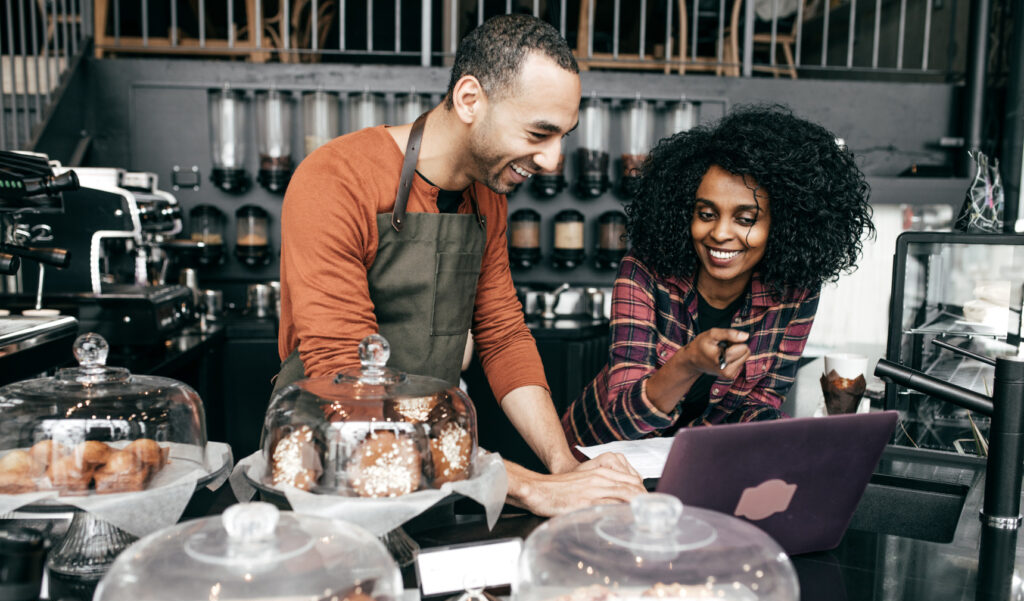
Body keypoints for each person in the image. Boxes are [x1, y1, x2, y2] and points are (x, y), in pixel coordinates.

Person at [277, 14, 644, 515]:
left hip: (436, 474)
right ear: (470, 99)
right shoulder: (337, 179)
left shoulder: (486, 197)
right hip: (330, 474)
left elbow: (502, 333)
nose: (554, 160)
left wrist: (564, 466)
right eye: (539, 132)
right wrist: (528, 486)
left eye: (563, 136)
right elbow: (349, 383)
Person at [562, 104, 874, 449]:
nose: (720, 233)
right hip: (594, 457)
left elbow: (762, 402)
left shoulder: (795, 291)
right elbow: (622, 417)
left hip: (695, 463)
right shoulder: (644, 271)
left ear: (784, 225)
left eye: (745, 219)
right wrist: (690, 362)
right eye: (706, 213)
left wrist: (796, 437)